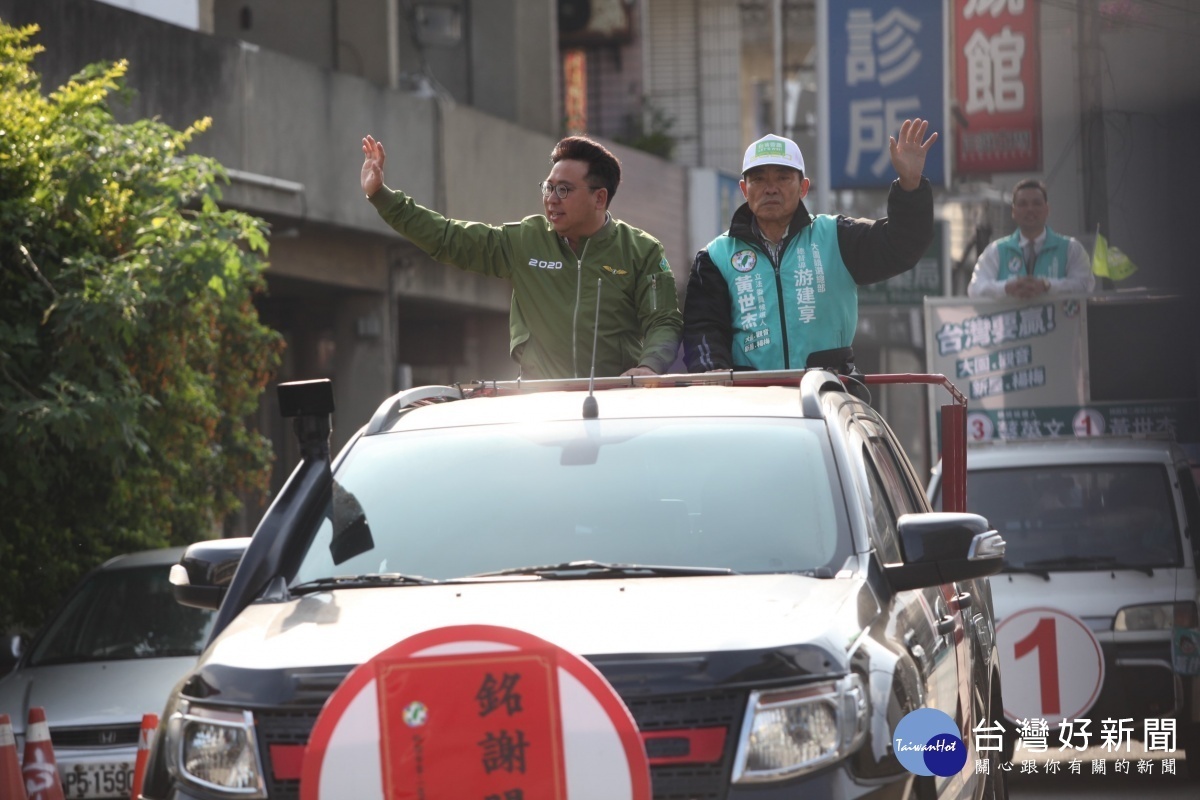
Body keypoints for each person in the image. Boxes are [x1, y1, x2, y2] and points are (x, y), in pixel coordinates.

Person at [360, 134, 682, 380]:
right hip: (540, 406)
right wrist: (381, 196)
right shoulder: (525, 240)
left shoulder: (642, 251)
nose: (551, 200)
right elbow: (447, 238)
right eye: (548, 188)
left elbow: (663, 320)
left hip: (616, 403)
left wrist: (649, 367)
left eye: (564, 190)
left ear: (600, 198)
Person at [683, 121, 937, 373]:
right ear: (744, 190)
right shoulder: (715, 257)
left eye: (783, 178)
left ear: (803, 187)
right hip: (753, 402)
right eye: (758, 179)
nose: (770, 188)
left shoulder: (836, 236)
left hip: (829, 397)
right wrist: (713, 371)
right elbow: (703, 329)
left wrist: (910, 185)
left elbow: (902, 245)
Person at [966, 178, 1094, 299]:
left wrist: (1046, 286)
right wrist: (1007, 288)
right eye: (1022, 204)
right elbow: (975, 289)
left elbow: (1085, 286)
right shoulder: (996, 251)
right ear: (1013, 212)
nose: (1030, 209)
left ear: (1047, 209)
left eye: (1037, 203)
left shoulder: (1071, 248)